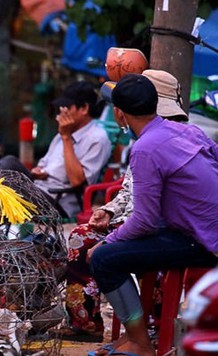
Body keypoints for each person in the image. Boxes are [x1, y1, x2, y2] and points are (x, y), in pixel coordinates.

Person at [87, 74, 218, 356]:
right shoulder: (187, 130)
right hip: (198, 230)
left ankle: (140, 342)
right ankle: (135, 334)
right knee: (115, 247)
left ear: (120, 115)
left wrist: (108, 241)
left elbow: (144, 221)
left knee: (103, 258)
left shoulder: (144, 148)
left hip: (203, 241)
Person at [61, 69, 189, 342]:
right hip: (140, 221)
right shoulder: (146, 139)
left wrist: (112, 239)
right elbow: (129, 191)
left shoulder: (165, 140)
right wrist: (109, 210)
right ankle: (87, 323)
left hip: (164, 227)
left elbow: (151, 215)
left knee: (109, 253)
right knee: (81, 238)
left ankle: (149, 331)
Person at [30, 81, 112, 218]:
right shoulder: (63, 133)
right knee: (6, 166)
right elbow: (43, 165)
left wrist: (66, 138)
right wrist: (39, 171)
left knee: (6, 185)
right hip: (38, 189)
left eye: (67, 107)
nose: (61, 113)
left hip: (57, 202)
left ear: (84, 108)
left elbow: (77, 181)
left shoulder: (98, 139)